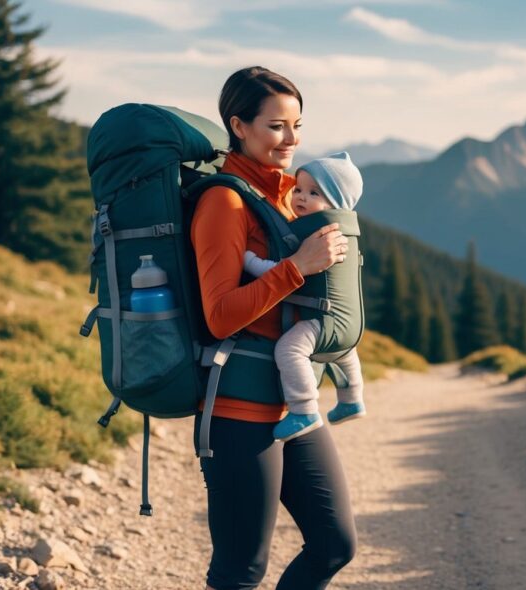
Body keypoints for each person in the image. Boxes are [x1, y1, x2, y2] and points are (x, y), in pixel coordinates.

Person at [191, 66, 357, 590]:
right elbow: (220, 314)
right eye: (277, 126)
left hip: (292, 404)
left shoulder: (288, 198)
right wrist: (297, 267)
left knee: (334, 544)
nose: (292, 140)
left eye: (297, 125)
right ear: (238, 126)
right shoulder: (225, 202)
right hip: (238, 409)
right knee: (241, 571)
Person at [242, 151, 366, 442]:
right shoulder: (346, 233)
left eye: (314, 193)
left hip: (321, 320)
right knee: (345, 350)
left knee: (289, 350)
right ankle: (352, 399)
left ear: (336, 203)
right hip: (351, 325)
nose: (300, 197)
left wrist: (250, 262)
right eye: (297, 189)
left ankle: (304, 409)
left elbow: (283, 269)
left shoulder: (317, 234)